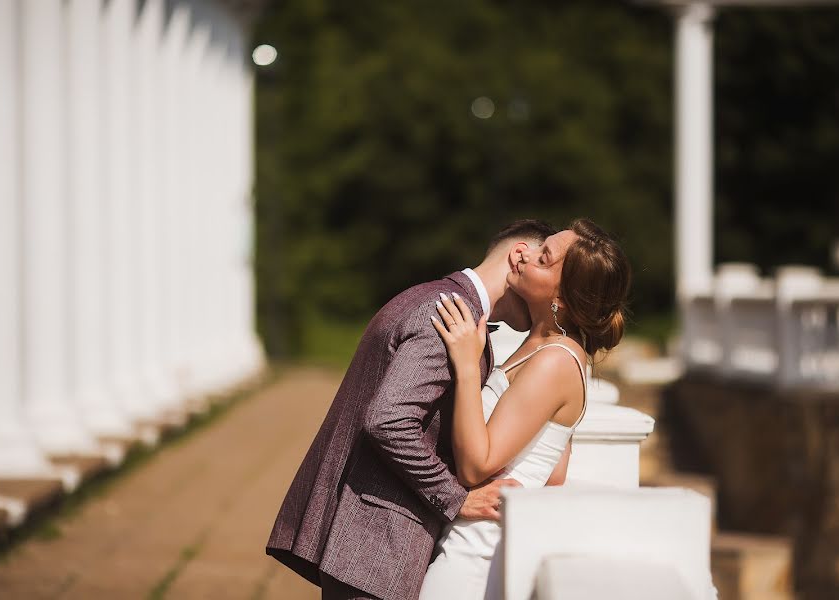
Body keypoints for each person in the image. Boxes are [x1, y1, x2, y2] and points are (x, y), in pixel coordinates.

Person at [265, 220, 558, 600]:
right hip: (377, 542)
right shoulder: (448, 315)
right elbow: (389, 421)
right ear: (520, 256)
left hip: (363, 536)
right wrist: (457, 498)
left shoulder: (432, 297)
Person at [418, 217, 631, 599]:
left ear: (561, 298)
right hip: (472, 542)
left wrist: (468, 369)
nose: (524, 254)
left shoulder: (555, 360)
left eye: (543, 258)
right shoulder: (546, 349)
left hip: (472, 557)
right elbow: (554, 473)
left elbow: (475, 464)